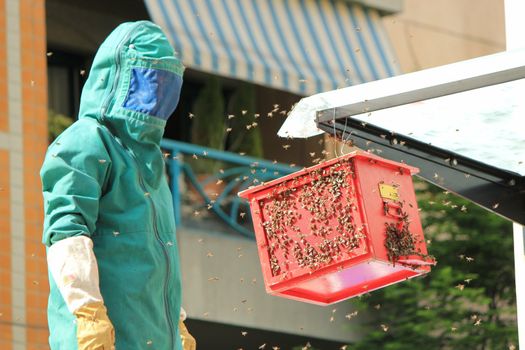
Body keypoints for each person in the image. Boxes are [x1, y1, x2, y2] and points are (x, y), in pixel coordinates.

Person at [41, 21, 196, 349]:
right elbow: (66, 234)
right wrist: (88, 313)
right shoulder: (86, 141)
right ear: (119, 76)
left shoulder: (152, 161)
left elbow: (157, 252)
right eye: (148, 81)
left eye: (164, 83)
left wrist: (177, 320)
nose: (155, 95)